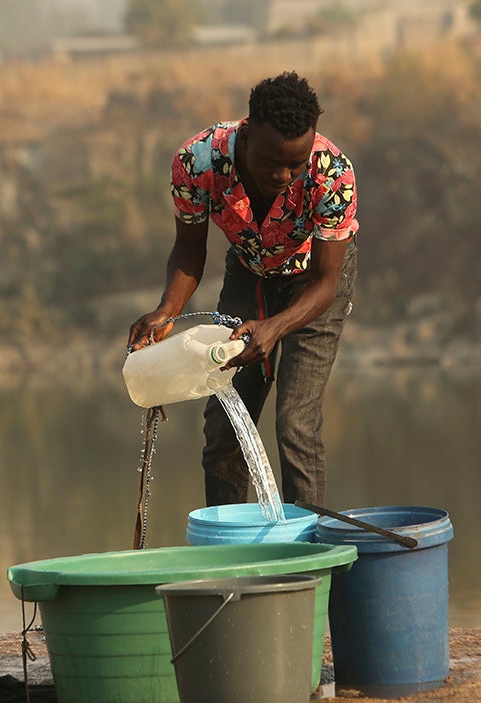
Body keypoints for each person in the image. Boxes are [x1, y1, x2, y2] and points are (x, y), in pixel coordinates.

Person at [127, 71, 359, 507]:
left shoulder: (333, 175)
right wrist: (167, 310)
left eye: (296, 162)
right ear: (246, 135)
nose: (285, 174)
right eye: (273, 161)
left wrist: (274, 328)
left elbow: (328, 281)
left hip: (313, 286)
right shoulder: (197, 162)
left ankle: (307, 554)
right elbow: (189, 250)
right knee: (224, 428)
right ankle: (228, 551)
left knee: (295, 426)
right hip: (250, 272)